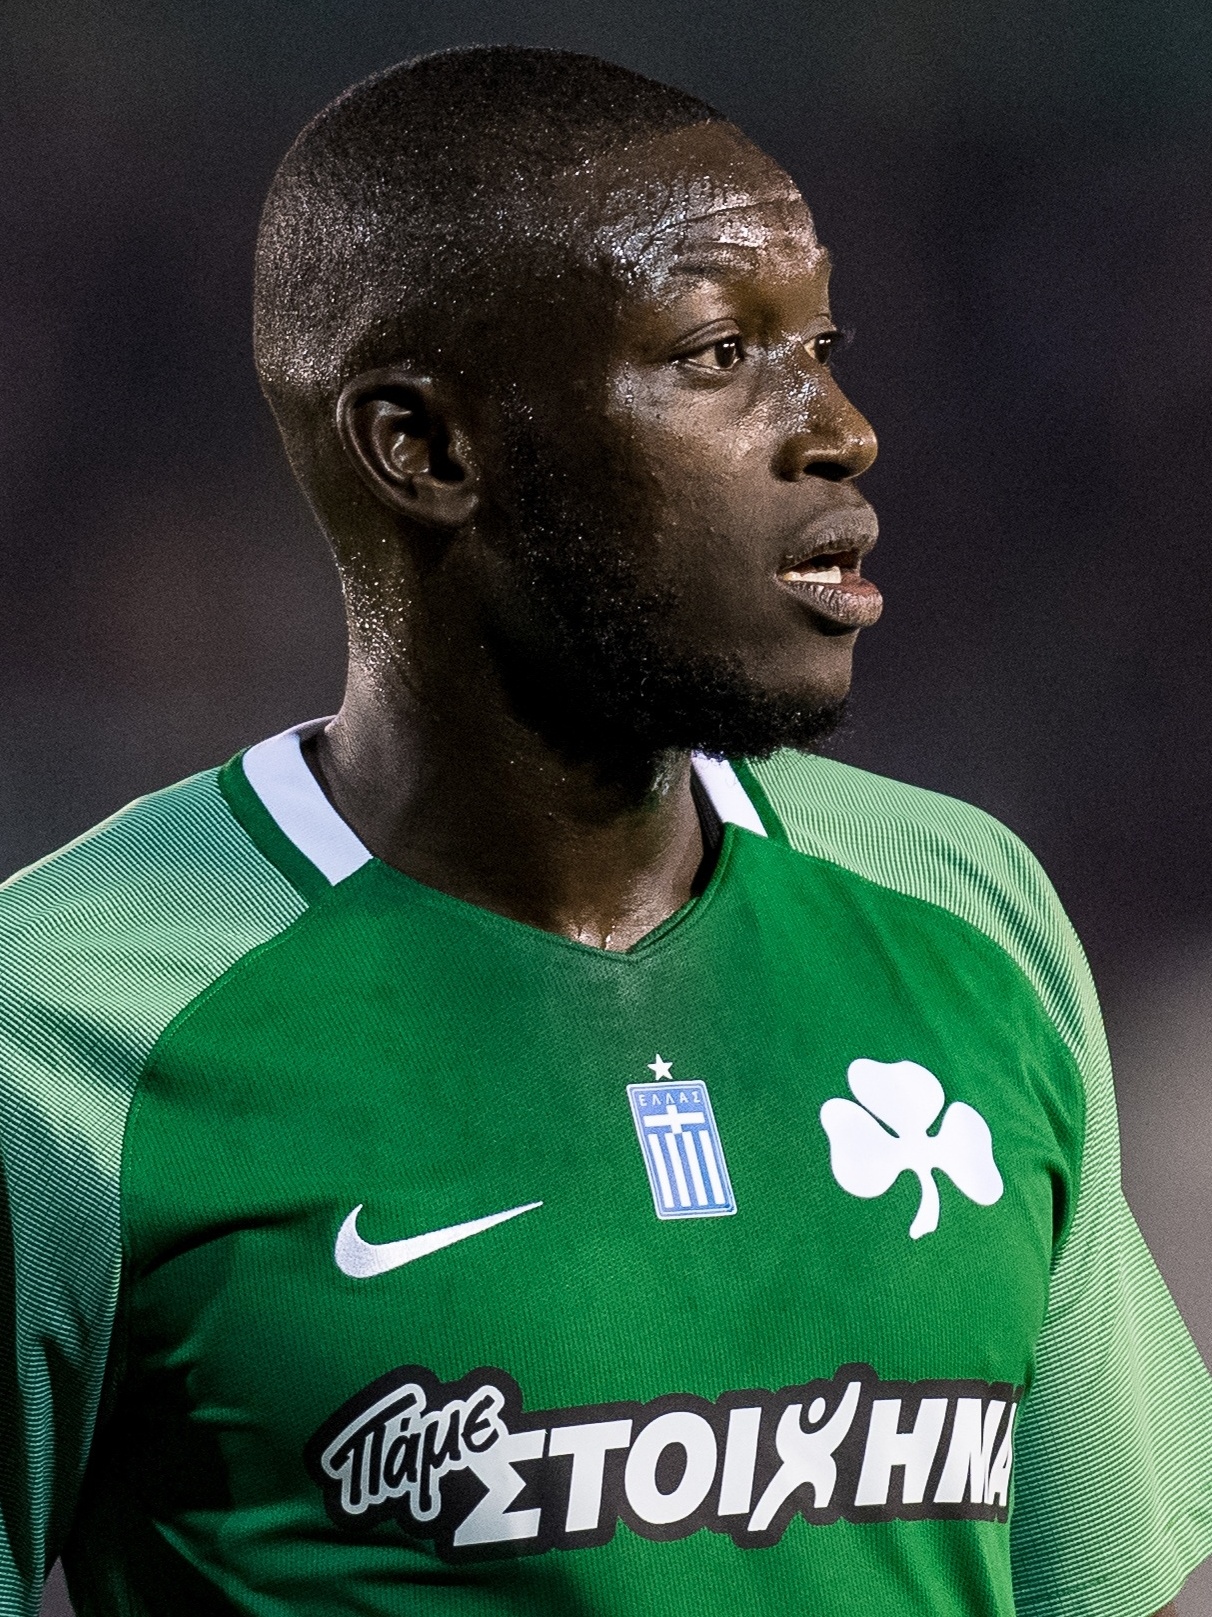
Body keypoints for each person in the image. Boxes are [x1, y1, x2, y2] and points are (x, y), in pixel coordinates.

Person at [1, 46, 1208, 1617]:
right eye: (720, 354)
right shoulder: (63, 1029)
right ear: (424, 448)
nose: (840, 428)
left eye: (822, 344)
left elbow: (1119, 1591)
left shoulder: (969, 909)